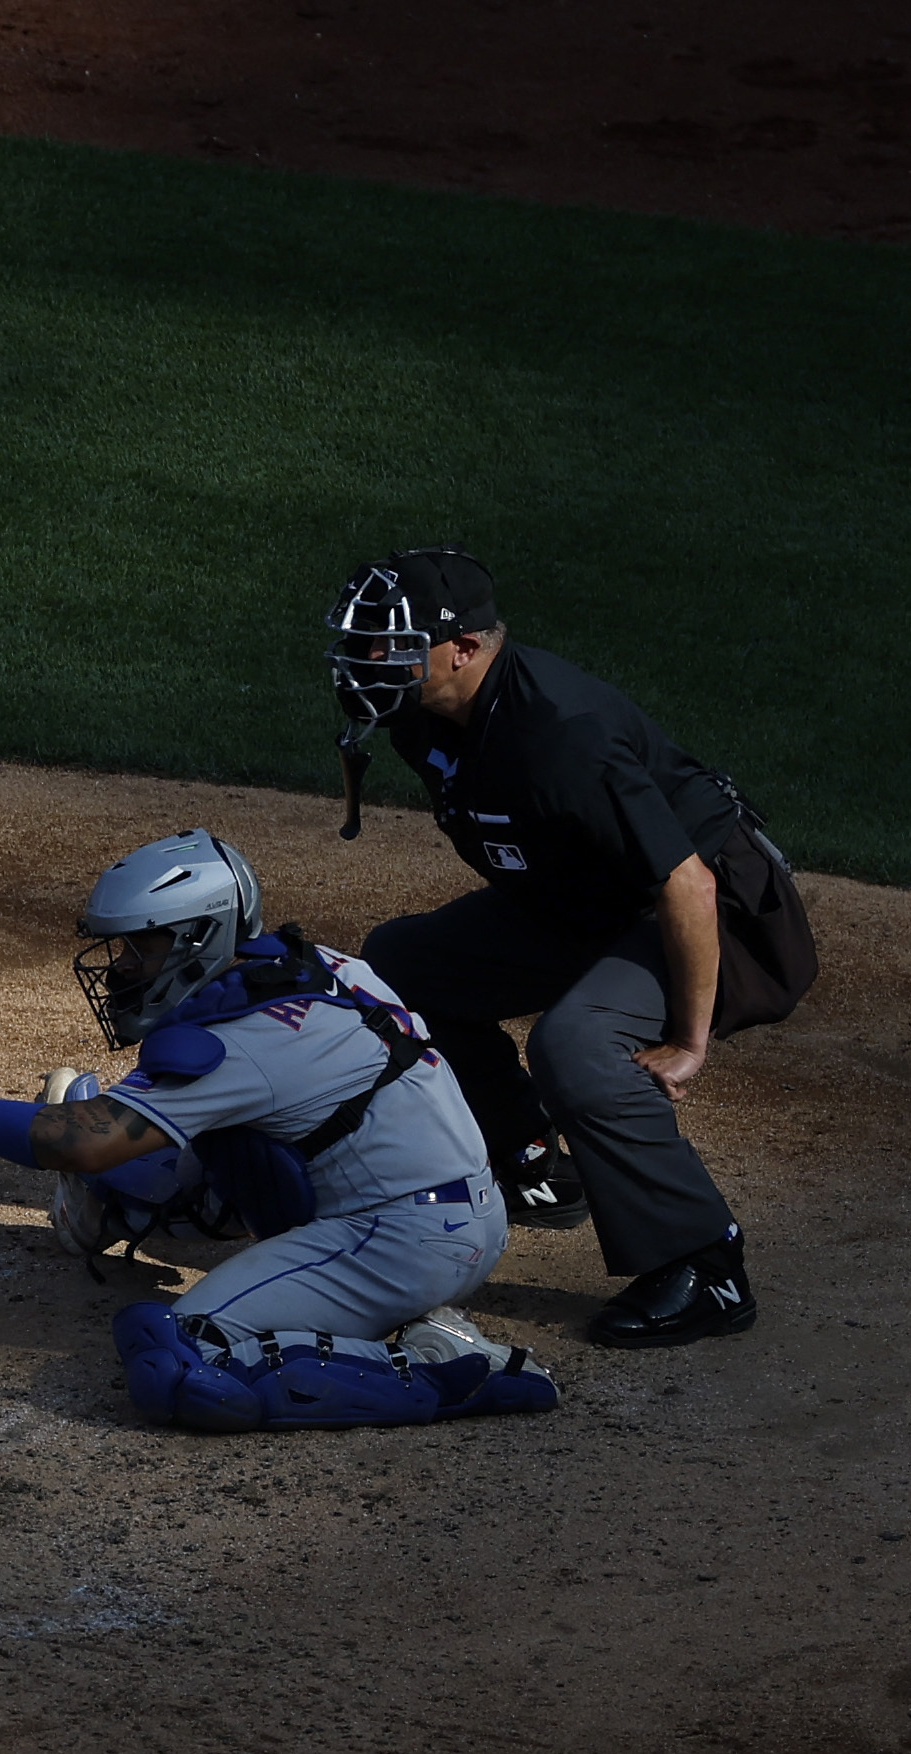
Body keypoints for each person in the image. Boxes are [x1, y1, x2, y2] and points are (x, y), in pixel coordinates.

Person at [0, 829, 557, 1432]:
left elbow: (82, 1139)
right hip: (444, 1207)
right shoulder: (317, 966)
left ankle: (447, 1364)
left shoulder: (245, 1040)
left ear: (197, 937)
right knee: (205, 1139)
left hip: (400, 1240)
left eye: (140, 948)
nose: (122, 966)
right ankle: (117, 1204)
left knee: (182, 1360)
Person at [327, 548, 792, 1348]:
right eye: (362, 643)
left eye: (391, 645)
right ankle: (533, 1160)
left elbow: (687, 882)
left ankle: (705, 1261)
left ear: (465, 648)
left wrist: (688, 1040)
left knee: (576, 1043)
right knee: (403, 965)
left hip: (722, 913)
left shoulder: (561, 733)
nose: (368, 662)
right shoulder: (423, 714)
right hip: (589, 903)